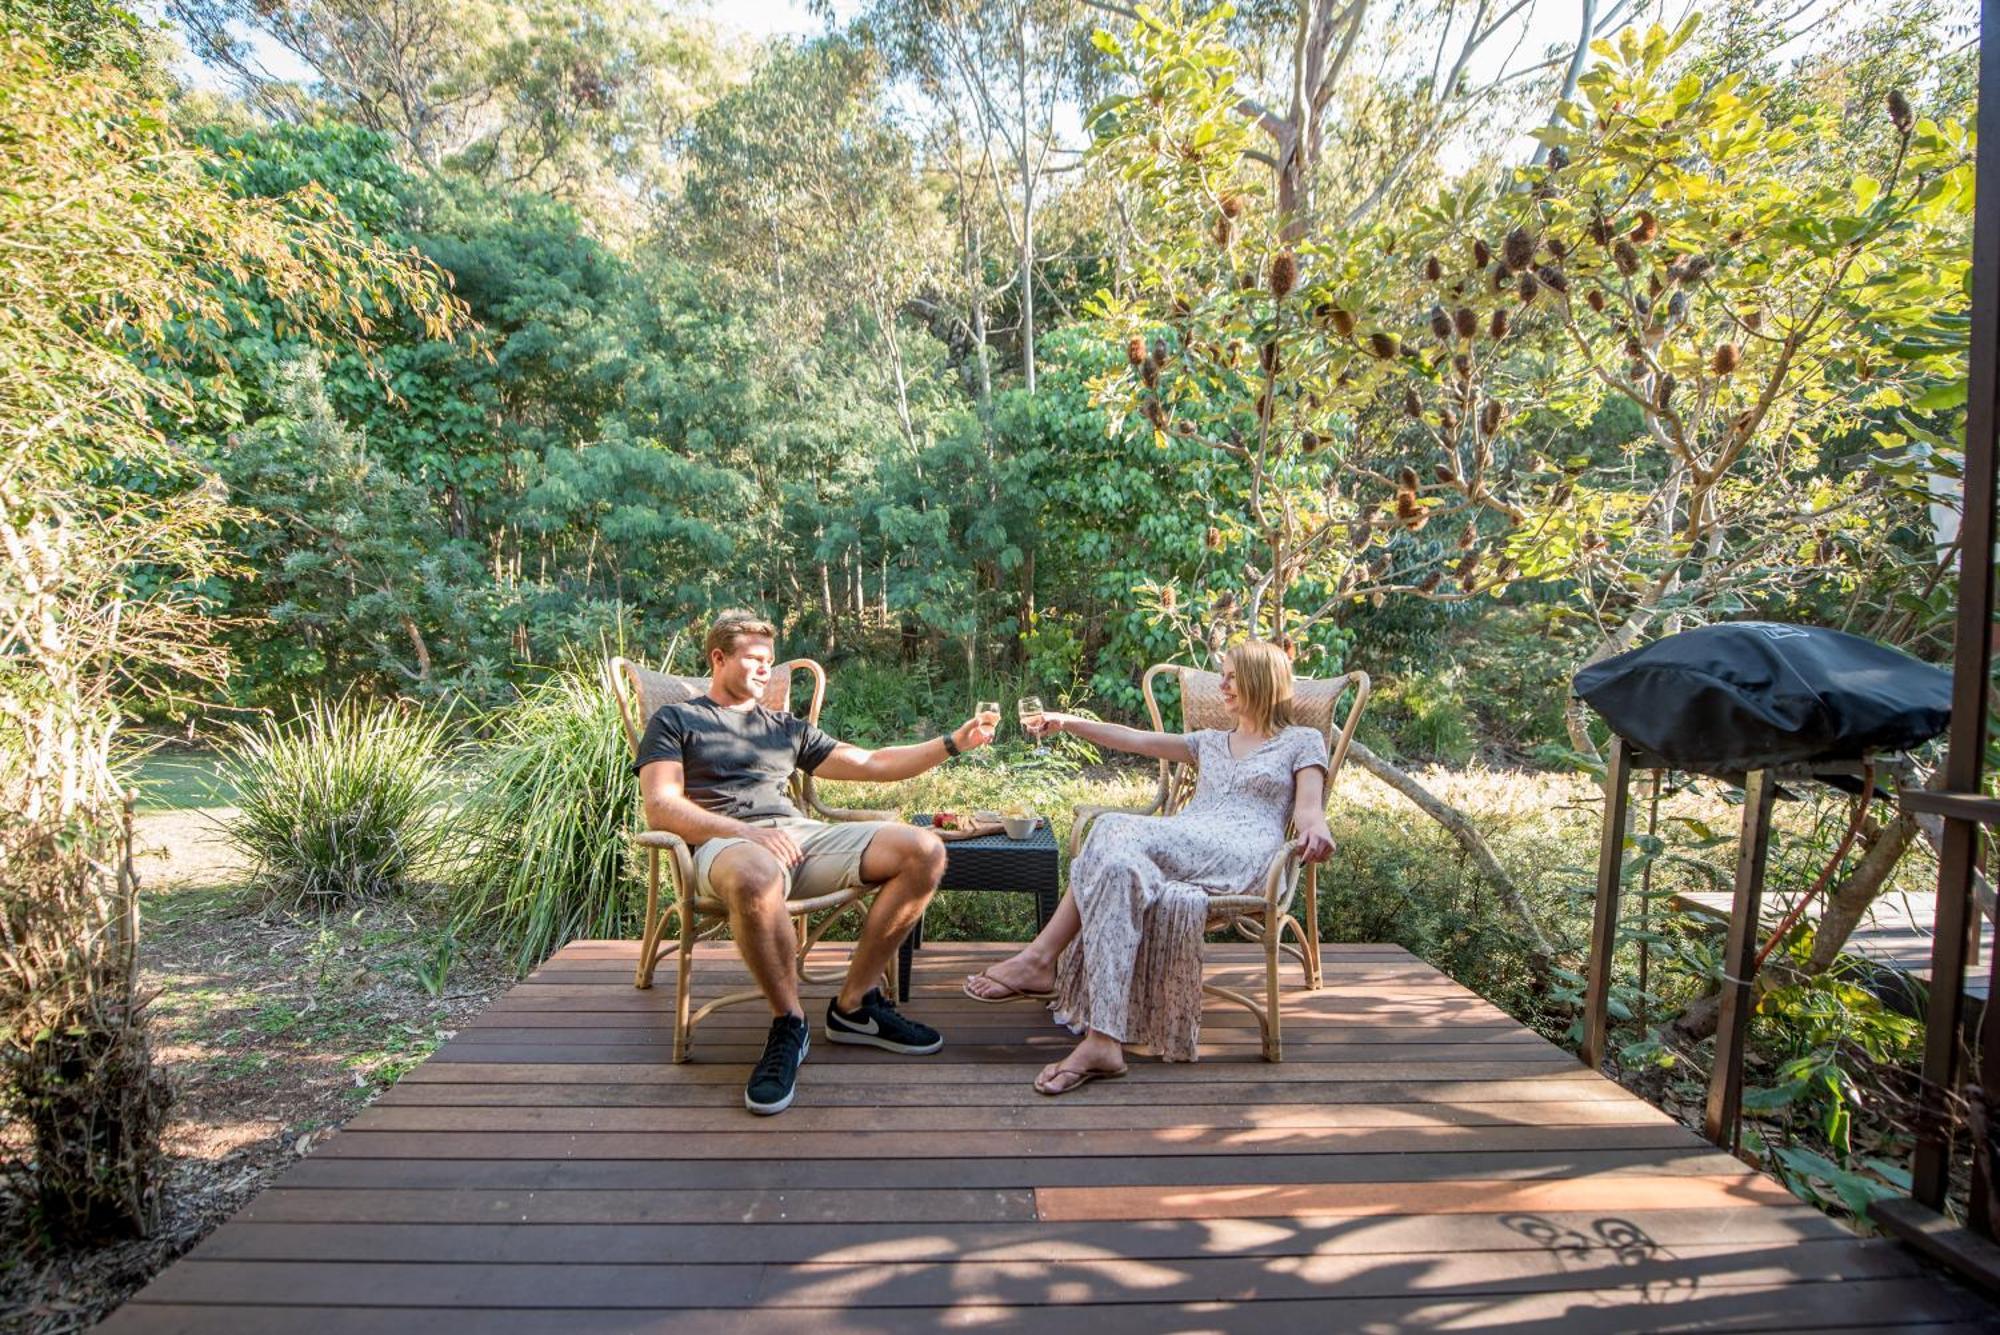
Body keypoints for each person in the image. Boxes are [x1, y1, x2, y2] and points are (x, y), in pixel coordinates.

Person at [634, 610, 994, 1115]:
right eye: (754, 660)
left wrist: (954, 742)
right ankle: (789, 1023)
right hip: (724, 843)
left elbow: (872, 762)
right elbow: (662, 806)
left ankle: (854, 1005)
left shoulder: (783, 728)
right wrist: (744, 831)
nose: (766, 671)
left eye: (770, 661)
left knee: (925, 849)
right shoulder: (677, 720)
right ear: (718, 658)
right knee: (757, 875)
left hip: (800, 839)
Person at [962, 640, 1335, 1094]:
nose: (1223, 685)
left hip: (1245, 855)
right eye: (1224, 675)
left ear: (1260, 680)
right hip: (1189, 841)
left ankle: (1040, 958)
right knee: (1118, 868)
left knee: (1112, 826)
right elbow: (1136, 740)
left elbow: (1311, 809)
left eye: (1233, 676)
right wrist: (1069, 723)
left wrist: (1316, 831)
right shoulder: (1211, 742)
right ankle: (1104, 1040)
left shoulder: (1301, 741)